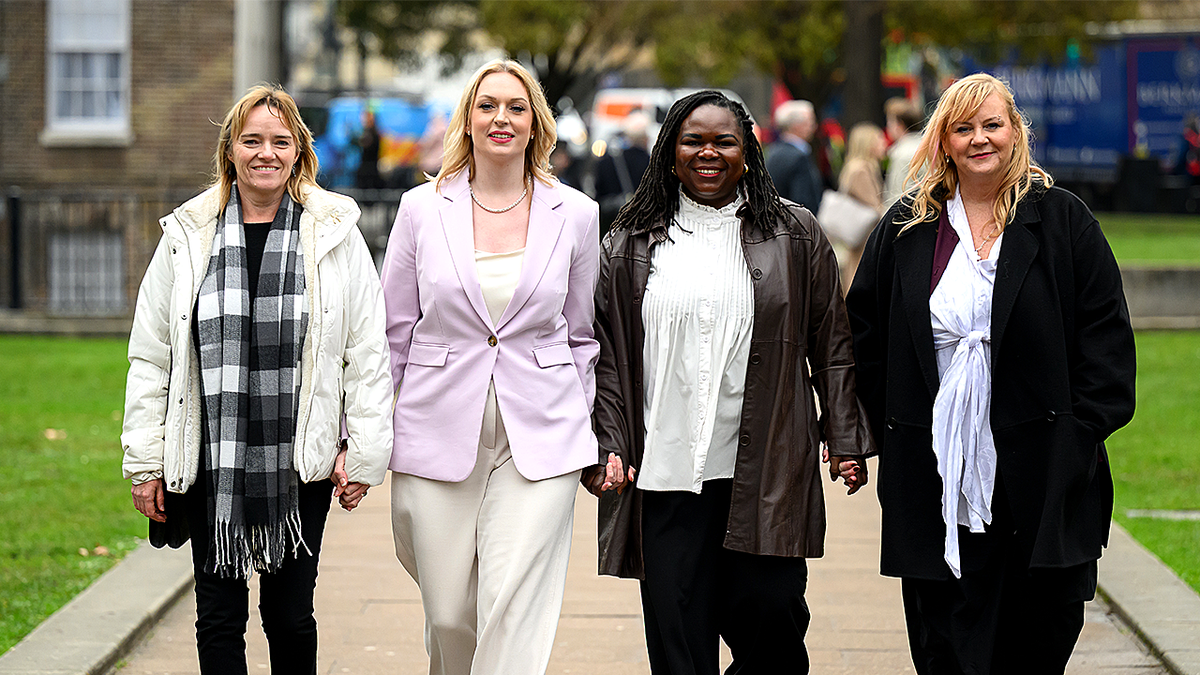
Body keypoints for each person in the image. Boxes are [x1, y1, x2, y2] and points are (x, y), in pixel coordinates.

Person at [846, 73, 1136, 674]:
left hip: (1040, 474)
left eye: (992, 125)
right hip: (936, 476)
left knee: (1039, 637)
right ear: (943, 141)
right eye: (963, 128)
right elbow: (863, 337)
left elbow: (1105, 340)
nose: (980, 139)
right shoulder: (907, 229)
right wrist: (886, 427)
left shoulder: (1061, 221)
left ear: (1015, 132)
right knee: (945, 641)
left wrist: (1076, 433)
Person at [590, 89, 874, 675]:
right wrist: (609, 443)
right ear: (670, 151)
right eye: (693, 141)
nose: (708, 153)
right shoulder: (631, 240)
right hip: (665, 475)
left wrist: (845, 436)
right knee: (679, 644)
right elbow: (608, 357)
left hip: (764, 469)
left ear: (749, 152)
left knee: (773, 628)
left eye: (725, 141)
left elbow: (833, 346)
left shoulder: (795, 234)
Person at [122, 84, 393, 674]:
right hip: (207, 458)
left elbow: (366, 352)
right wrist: (145, 462)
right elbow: (152, 356)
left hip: (298, 461)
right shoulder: (187, 237)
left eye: (279, 140)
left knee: (289, 615)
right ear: (230, 151)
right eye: (251, 140)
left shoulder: (334, 235)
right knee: (218, 617)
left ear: (298, 150)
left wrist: (364, 453)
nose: (265, 152)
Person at [381, 59, 600, 675]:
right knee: (450, 615)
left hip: (542, 430)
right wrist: (370, 431)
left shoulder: (577, 214)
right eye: (487, 105)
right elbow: (393, 332)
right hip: (438, 425)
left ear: (536, 124)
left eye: (517, 106)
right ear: (468, 120)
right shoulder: (421, 209)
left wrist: (582, 418)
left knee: (512, 604)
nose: (501, 117)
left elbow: (583, 333)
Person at [832, 121, 887, 289]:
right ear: (868, 144)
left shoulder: (856, 166)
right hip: (863, 235)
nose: (884, 143)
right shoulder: (861, 169)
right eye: (879, 140)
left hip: (860, 236)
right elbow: (874, 206)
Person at [594, 111, 652, 233]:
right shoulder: (651, 163)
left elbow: (598, 193)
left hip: (612, 224)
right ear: (645, 138)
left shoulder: (608, 161)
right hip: (642, 226)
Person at [765, 99, 824, 212]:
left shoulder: (773, 151)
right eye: (810, 123)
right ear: (796, 125)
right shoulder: (798, 157)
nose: (814, 127)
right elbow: (803, 202)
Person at [883, 97, 925, 205]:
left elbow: (896, 195)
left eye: (890, 122)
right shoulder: (927, 147)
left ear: (899, 125)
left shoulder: (900, 153)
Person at [355, 108, 383, 189]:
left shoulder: (373, 133)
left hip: (371, 168)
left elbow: (366, 144)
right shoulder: (365, 132)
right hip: (365, 167)